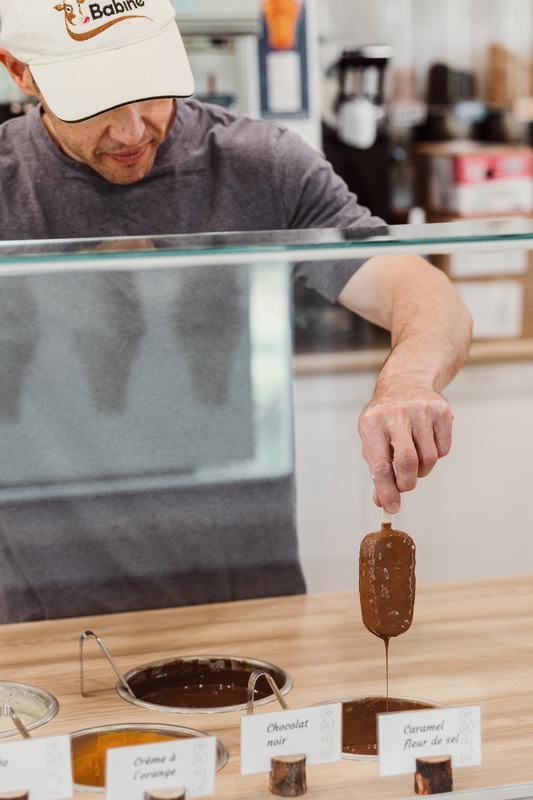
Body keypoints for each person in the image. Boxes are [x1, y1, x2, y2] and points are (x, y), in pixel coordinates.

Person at [0, 0, 472, 621]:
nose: (133, 130)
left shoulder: (261, 164)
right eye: (97, 101)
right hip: (38, 615)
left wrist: (407, 378)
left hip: (246, 601)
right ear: (20, 71)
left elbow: (415, 284)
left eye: (149, 89)